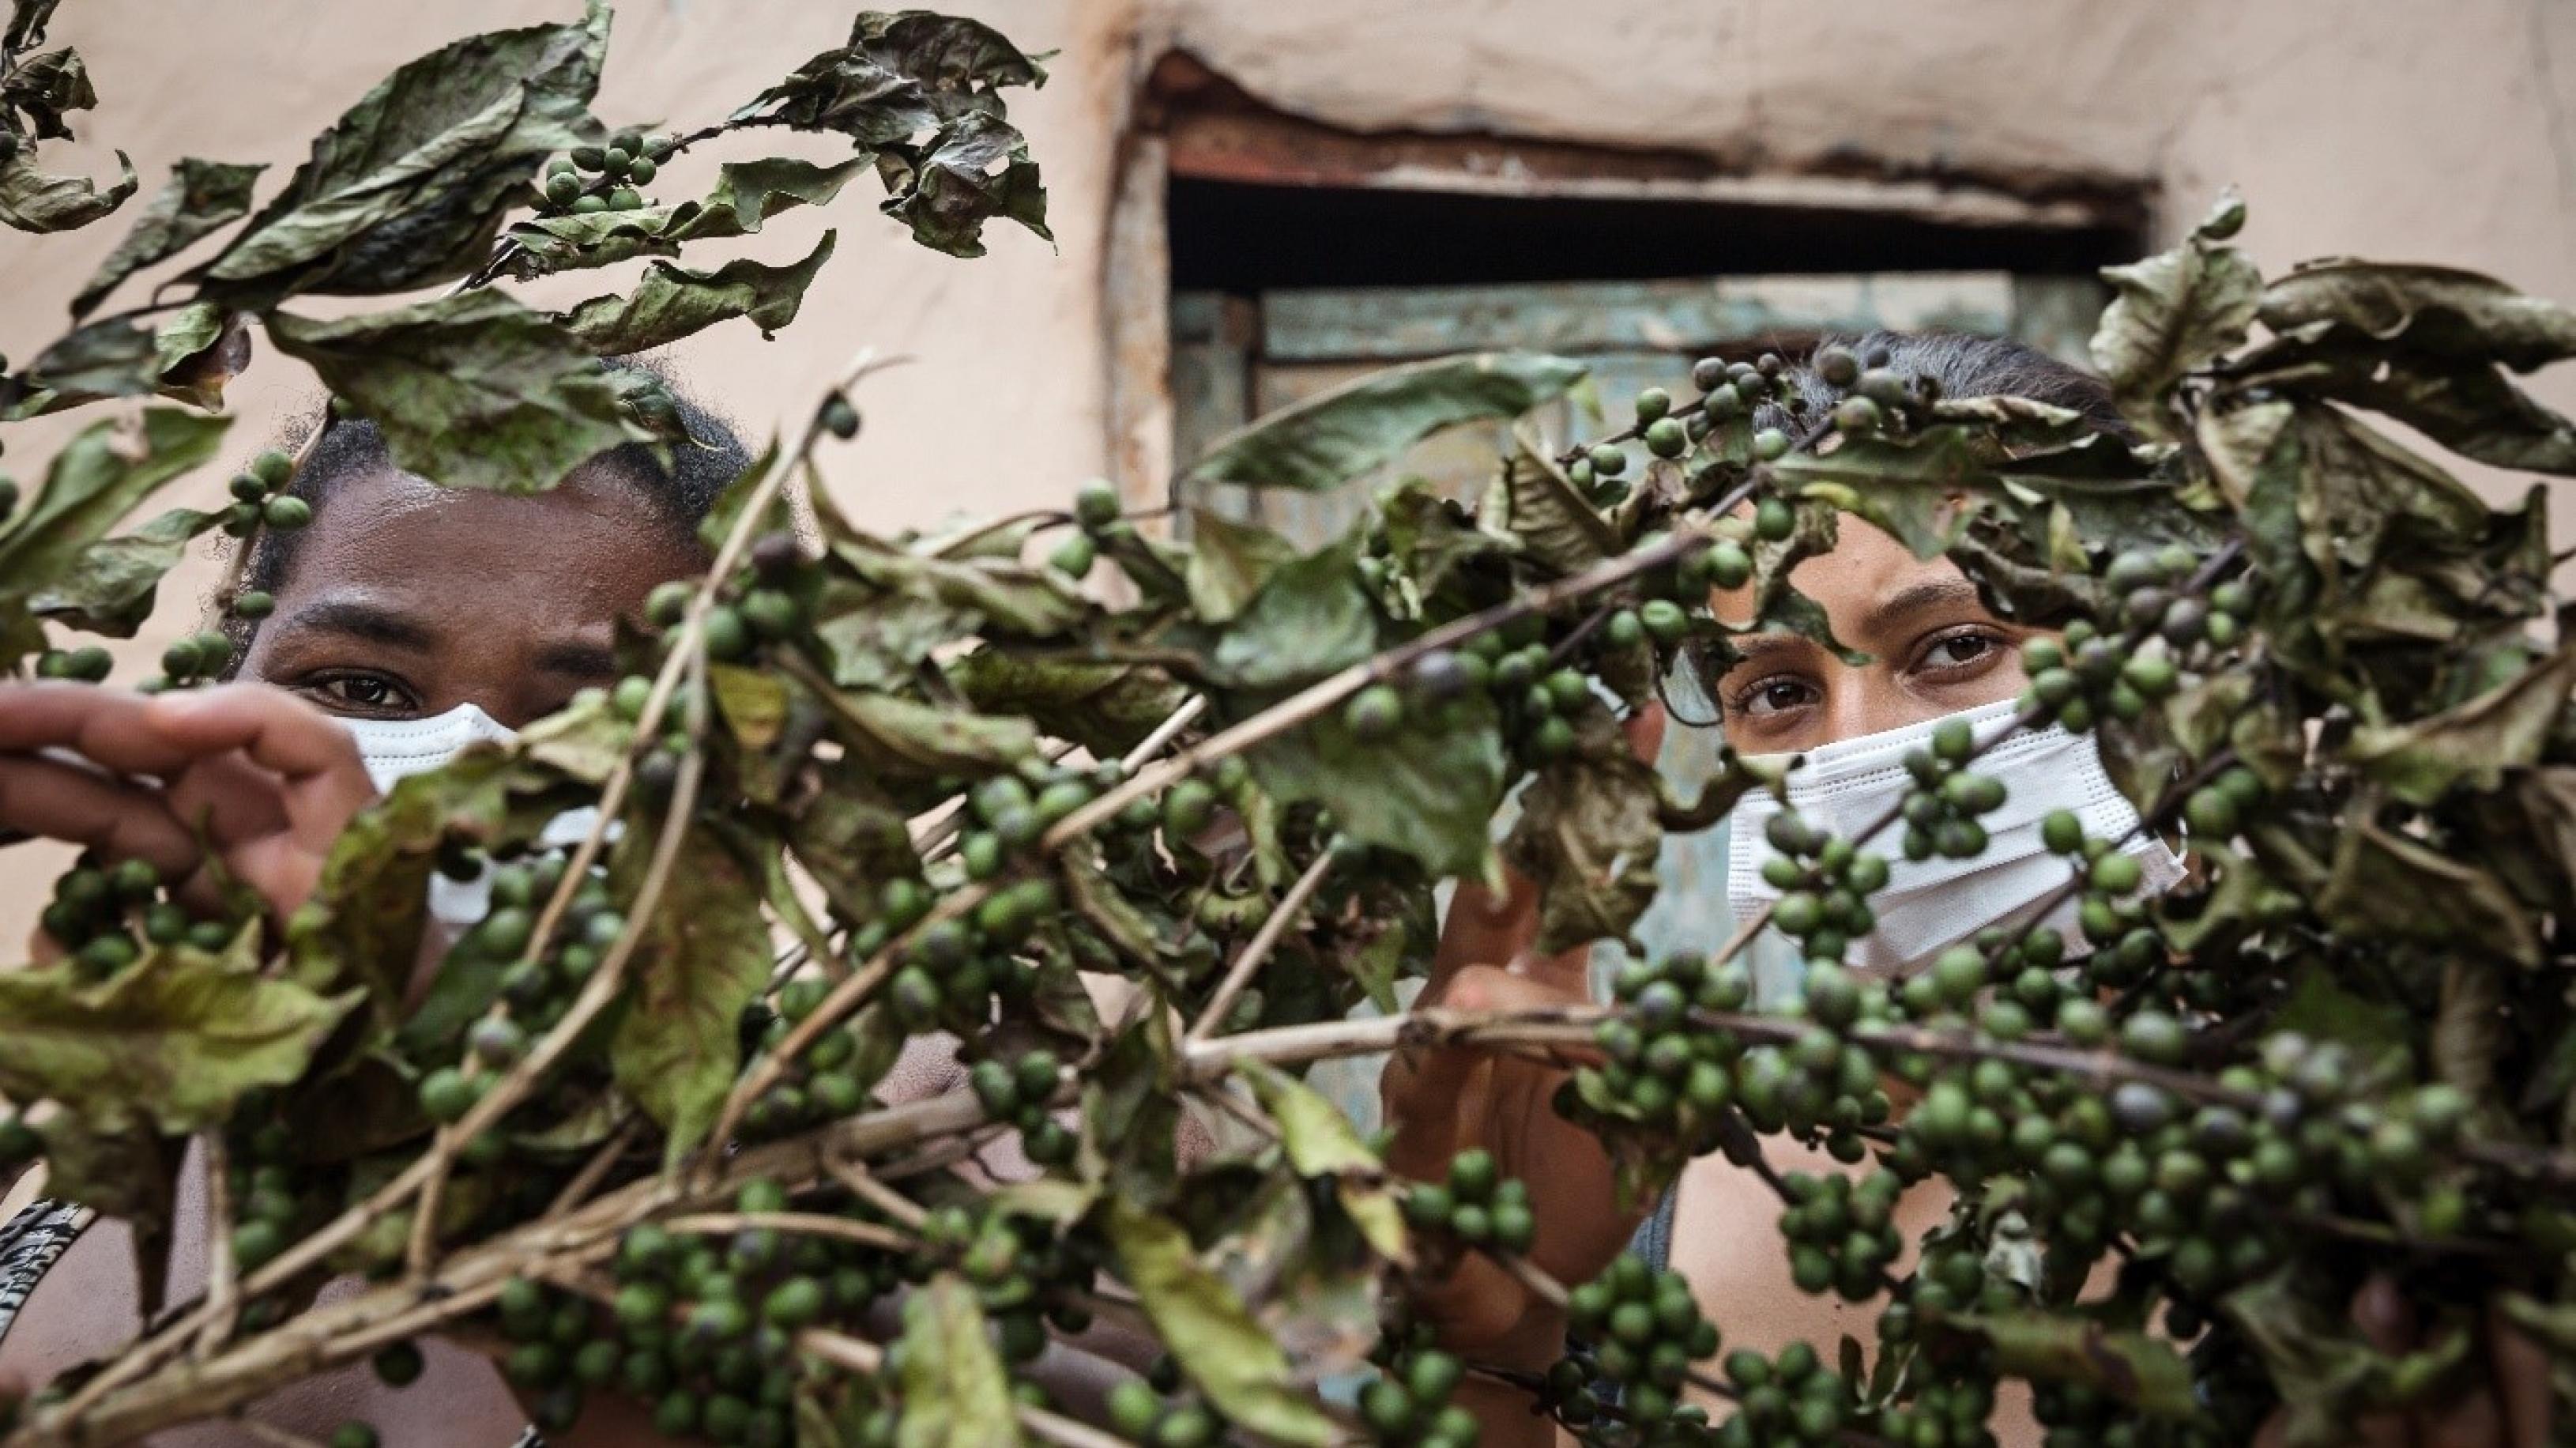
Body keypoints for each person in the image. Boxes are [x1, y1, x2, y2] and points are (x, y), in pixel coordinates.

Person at [1386, 332, 2552, 1448]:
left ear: (2179, 665)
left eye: (1954, 649)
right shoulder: (1634, 1207)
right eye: (1779, 694)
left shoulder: (2410, 1192)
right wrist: (1505, 1332)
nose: (1855, 757)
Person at [0, 385, 753, 1445]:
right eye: (368, 687)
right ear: (227, 679)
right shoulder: (80, 1166)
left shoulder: (878, 1157)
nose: (454, 783)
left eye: (598, 719)